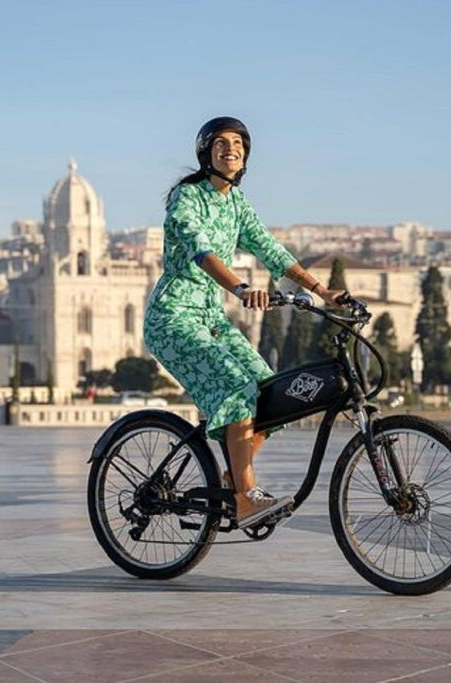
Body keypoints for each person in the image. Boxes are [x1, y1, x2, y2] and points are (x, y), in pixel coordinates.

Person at [143, 116, 344, 529]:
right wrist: (240, 288)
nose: (230, 148)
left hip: (211, 318)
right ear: (206, 152)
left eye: (237, 143)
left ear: (246, 155)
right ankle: (246, 496)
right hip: (174, 317)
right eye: (220, 143)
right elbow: (202, 252)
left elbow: (270, 248)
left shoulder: (237, 203)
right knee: (237, 390)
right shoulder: (186, 197)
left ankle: (233, 482)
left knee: (272, 395)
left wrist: (323, 291)